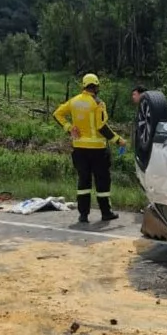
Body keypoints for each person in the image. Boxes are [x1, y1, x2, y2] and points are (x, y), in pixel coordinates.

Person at [53, 73, 126, 223]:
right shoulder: (97, 103)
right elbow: (101, 126)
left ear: (83, 86)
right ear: (97, 86)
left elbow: (57, 114)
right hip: (98, 149)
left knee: (83, 182)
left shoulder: (74, 101)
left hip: (79, 148)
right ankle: (106, 213)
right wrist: (118, 140)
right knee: (102, 182)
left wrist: (68, 127)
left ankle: (83, 215)